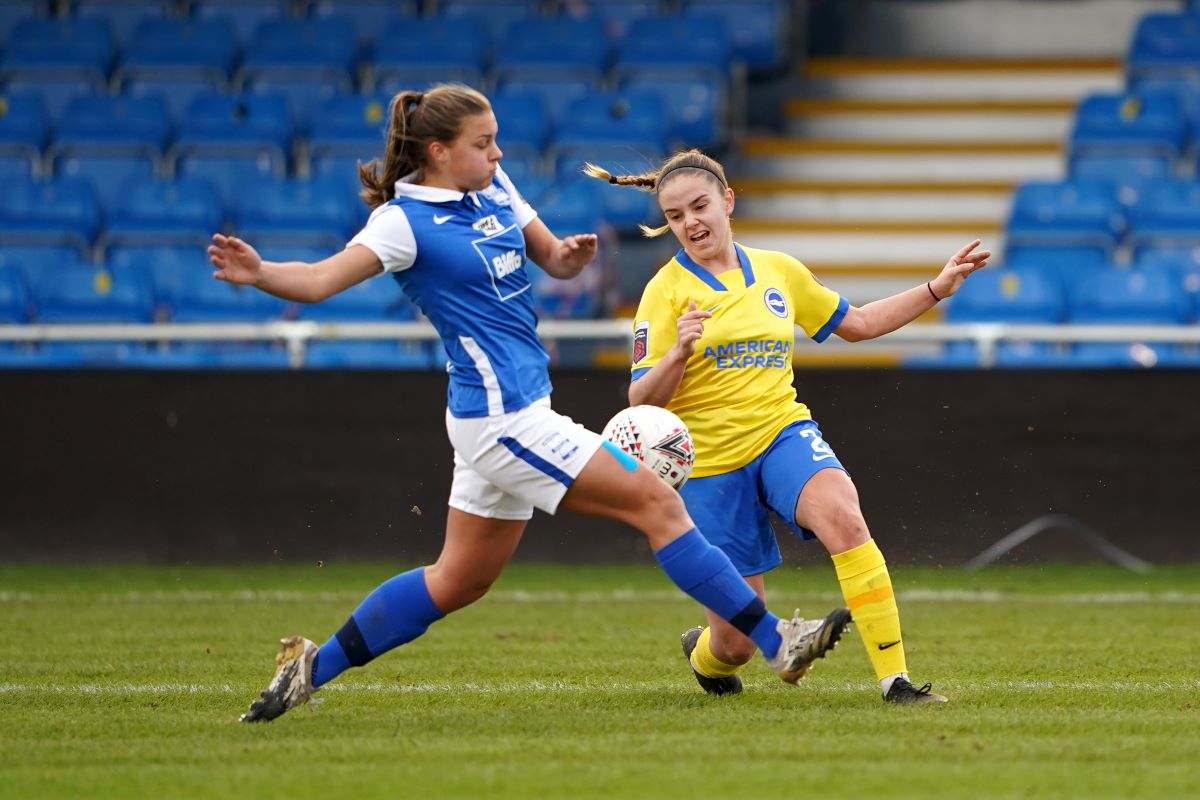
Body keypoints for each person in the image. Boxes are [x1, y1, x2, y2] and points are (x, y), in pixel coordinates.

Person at [209, 85, 851, 723]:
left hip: (511, 415)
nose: (497, 152)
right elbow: (322, 279)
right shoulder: (402, 223)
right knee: (659, 503)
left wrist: (568, 257)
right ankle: (776, 641)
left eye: (495, 139)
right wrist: (261, 271)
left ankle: (308, 671)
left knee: (458, 580)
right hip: (501, 419)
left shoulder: (493, 188)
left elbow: (551, 258)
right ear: (438, 151)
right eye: (482, 143)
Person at [586, 149, 991, 704]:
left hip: (781, 433)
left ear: (728, 201)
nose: (692, 223)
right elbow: (639, 399)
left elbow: (860, 323)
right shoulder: (664, 291)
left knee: (844, 516)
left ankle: (897, 683)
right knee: (735, 647)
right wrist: (678, 351)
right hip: (708, 466)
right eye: (677, 216)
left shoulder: (779, 270)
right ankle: (704, 654)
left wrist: (936, 289)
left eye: (700, 206)